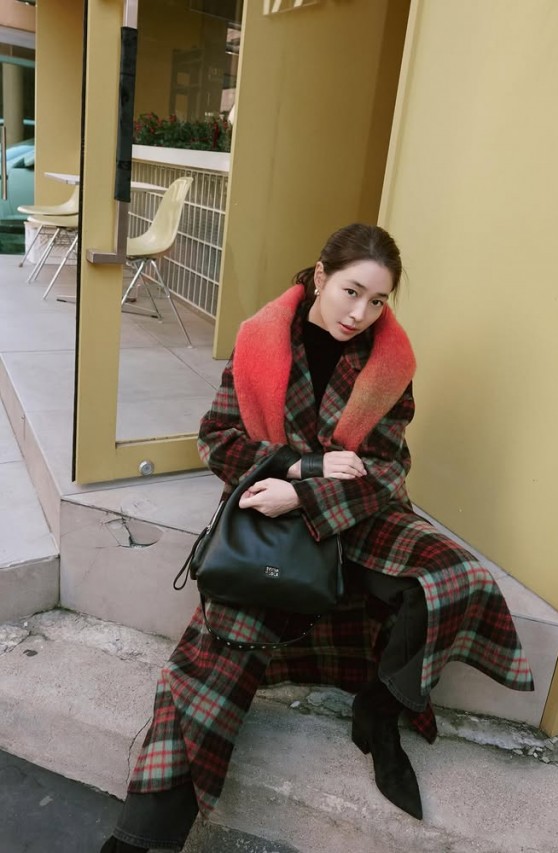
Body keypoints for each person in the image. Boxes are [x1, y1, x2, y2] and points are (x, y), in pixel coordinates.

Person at [101, 223, 534, 852]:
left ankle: (379, 712)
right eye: (351, 292)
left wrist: (309, 496)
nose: (360, 314)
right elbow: (216, 441)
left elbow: (388, 467)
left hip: (354, 510)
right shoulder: (260, 339)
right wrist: (298, 470)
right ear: (321, 275)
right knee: (211, 670)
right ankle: (138, 841)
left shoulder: (390, 364)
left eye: (378, 301)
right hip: (267, 512)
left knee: (456, 577)